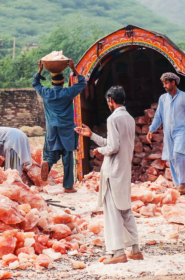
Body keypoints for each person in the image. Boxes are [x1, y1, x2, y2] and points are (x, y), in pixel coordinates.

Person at [75, 86, 142, 264]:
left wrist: (98, 151)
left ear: (111, 100)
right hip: (124, 169)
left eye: (108, 101)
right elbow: (115, 143)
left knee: (112, 211)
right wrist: (92, 135)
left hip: (113, 171)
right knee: (125, 209)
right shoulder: (128, 118)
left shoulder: (113, 118)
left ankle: (118, 252)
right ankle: (135, 249)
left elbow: (112, 147)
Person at [32, 59, 87, 193]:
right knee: (67, 155)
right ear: (63, 82)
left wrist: (40, 70)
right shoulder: (67, 93)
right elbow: (82, 82)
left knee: (51, 151)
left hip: (52, 128)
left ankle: (48, 163)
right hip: (67, 128)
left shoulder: (46, 93)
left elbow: (35, 83)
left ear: (51, 82)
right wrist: (73, 69)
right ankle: (68, 186)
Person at [147, 72, 185, 195]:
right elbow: (158, 116)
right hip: (168, 133)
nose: (164, 86)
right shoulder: (163, 99)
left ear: (173, 83)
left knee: (178, 154)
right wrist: (151, 129)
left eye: (166, 83)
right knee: (171, 157)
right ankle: (180, 186)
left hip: (182, 131)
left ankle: (182, 183)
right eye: (163, 83)